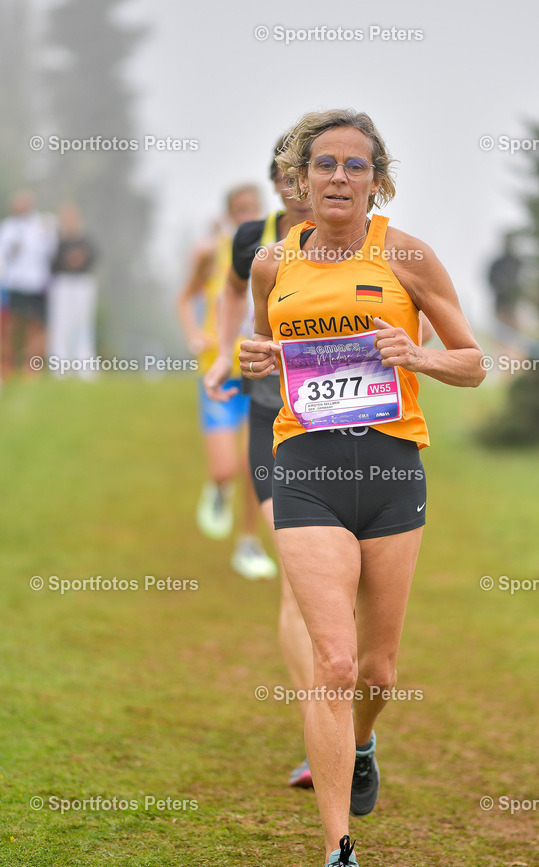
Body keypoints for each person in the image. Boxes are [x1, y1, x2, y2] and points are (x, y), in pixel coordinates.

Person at [239, 109, 485, 867]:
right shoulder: (272, 264)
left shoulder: (406, 255)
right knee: (334, 665)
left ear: (376, 178)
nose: (338, 178)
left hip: (388, 469)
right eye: (323, 165)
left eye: (354, 165)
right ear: (299, 177)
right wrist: (252, 362)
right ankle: (338, 858)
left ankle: (366, 738)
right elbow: (260, 353)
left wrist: (416, 354)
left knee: (377, 672)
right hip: (305, 465)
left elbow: (473, 363)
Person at [204, 137, 315, 789]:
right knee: (296, 577)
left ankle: (353, 726)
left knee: (340, 598)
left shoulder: (361, 245)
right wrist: (225, 350)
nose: (290, 188)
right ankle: (320, 733)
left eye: (299, 176)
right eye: (283, 176)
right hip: (271, 421)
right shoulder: (256, 240)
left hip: (346, 436)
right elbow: (228, 292)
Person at [177, 185, 277, 580]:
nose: (246, 216)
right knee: (225, 468)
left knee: (257, 464)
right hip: (219, 372)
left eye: (252, 209)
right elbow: (185, 297)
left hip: (261, 370)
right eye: (239, 210)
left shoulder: (281, 250)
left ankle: (248, 542)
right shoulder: (212, 253)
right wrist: (193, 333)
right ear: (229, 214)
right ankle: (218, 488)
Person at [0, 190, 56, 379]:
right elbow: (5, 253)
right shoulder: (8, 226)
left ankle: (31, 364)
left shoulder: (42, 224)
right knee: (11, 324)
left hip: (37, 282)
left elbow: (51, 251)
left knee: (37, 325)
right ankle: (7, 362)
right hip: (15, 282)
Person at [48, 203, 98, 377]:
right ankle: (59, 364)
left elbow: (94, 258)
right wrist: (67, 260)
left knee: (83, 323)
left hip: (83, 283)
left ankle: (85, 364)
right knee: (61, 322)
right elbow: (51, 264)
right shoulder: (57, 241)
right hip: (62, 284)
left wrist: (79, 259)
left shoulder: (85, 240)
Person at [487, 232, 522, 329]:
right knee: (501, 331)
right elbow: (490, 280)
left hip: (513, 303)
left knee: (513, 333)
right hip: (500, 303)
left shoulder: (517, 263)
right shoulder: (498, 263)